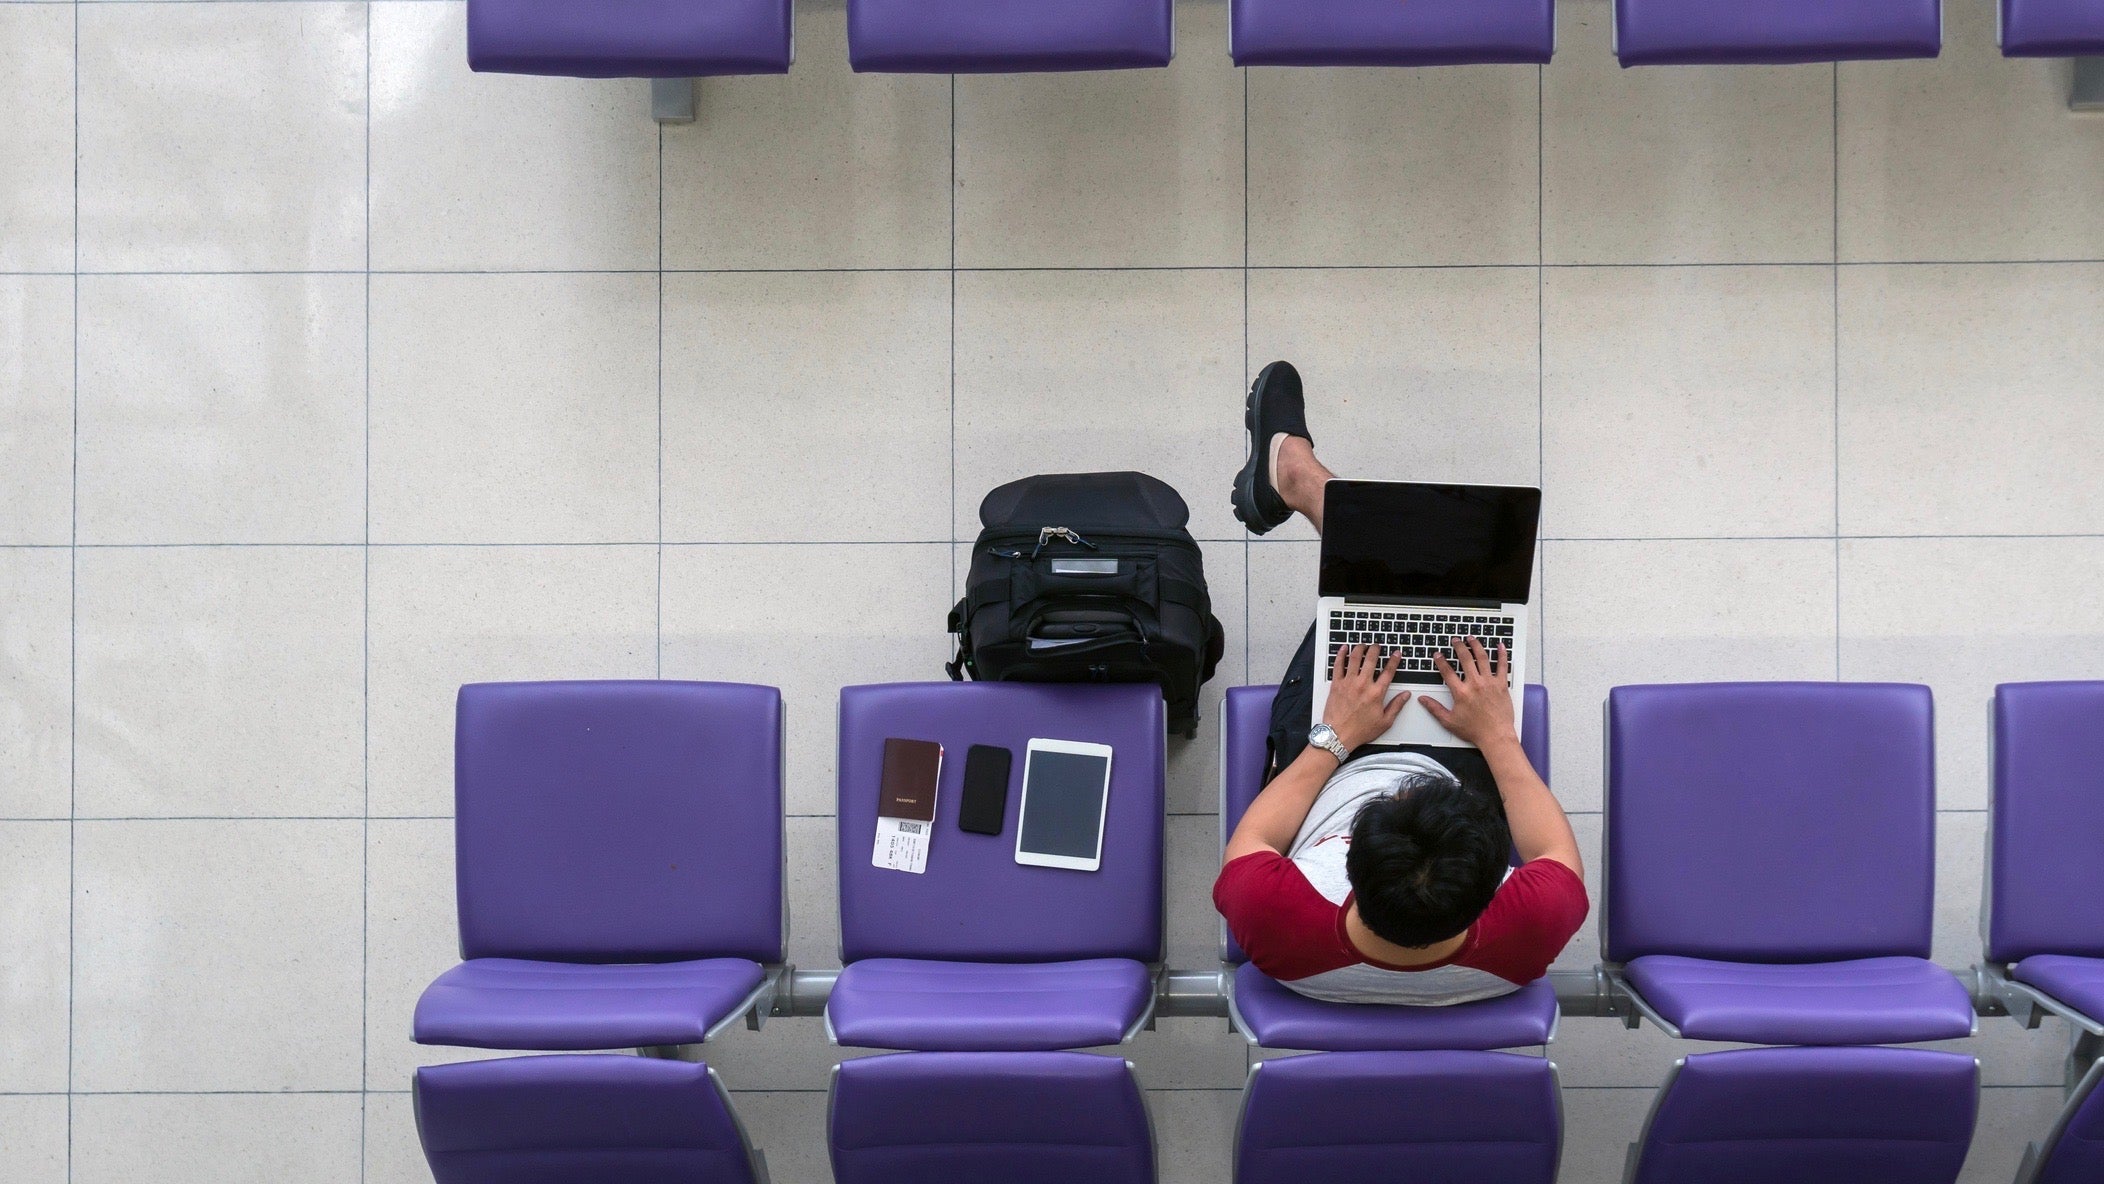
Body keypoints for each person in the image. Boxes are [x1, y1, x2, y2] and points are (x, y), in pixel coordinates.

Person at [1214, 361, 1588, 1006]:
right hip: (1464, 764)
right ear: (1490, 894)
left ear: (1347, 868)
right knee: (1444, 611)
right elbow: (1553, 848)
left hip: (1328, 766)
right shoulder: (1524, 936)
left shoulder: (1282, 924)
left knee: (1381, 595)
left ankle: (1302, 483)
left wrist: (1335, 737)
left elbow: (1253, 841)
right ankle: (1304, 484)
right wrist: (1496, 739)